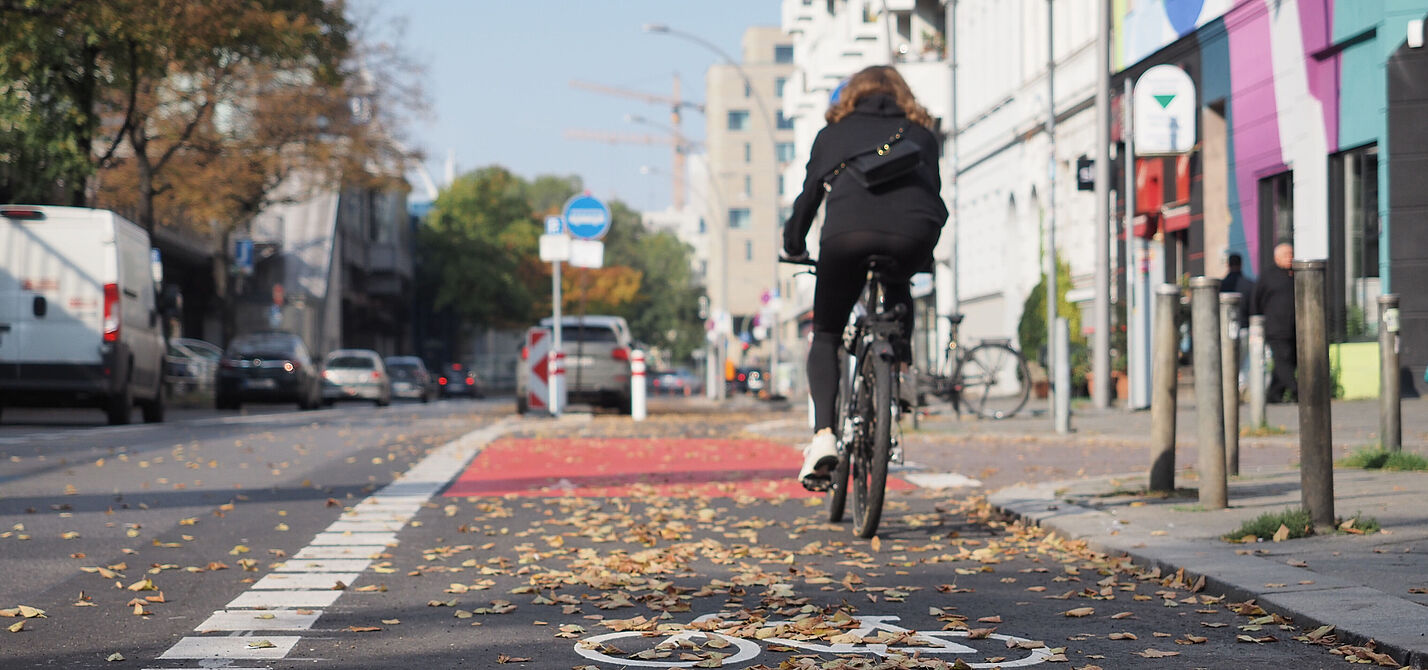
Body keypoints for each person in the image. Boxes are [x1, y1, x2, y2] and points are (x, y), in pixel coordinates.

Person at [782, 65, 948, 491]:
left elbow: (809, 197)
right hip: (914, 231)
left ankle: (822, 437)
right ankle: (901, 372)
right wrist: (923, 253)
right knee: (898, 283)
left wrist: (794, 244)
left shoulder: (832, 135)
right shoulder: (922, 134)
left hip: (847, 234)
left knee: (827, 333)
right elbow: (932, 190)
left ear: (850, 96)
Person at [1252, 243, 1297, 403]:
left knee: (1289, 359)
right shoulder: (1268, 276)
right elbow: (1256, 299)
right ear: (1276, 257)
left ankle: (1274, 395)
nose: (1290, 257)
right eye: (1286, 254)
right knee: (1282, 360)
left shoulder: (1295, 274)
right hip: (1276, 327)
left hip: (1294, 327)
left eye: (1291, 254)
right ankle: (1298, 391)